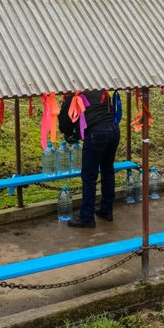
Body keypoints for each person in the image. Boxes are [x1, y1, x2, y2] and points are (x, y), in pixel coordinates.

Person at [59, 90, 120, 228]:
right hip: (114, 131)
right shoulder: (99, 89)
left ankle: (87, 216)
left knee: (89, 176)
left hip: (96, 134)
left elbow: (64, 122)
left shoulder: (73, 95)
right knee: (107, 171)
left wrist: (69, 134)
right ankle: (106, 210)